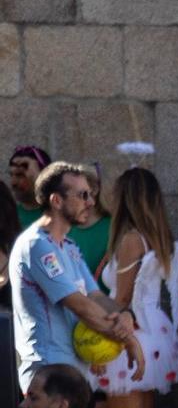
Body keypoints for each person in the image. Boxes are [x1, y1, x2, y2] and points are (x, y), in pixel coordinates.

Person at [8, 161, 136, 390]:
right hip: (48, 372)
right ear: (57, 201)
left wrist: (125, 314)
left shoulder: (69, 246)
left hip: (74, 371)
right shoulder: (36, 245)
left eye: (91, 195)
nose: (91, 202)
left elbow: (95, 296)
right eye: (83, 195)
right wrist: (128, 339)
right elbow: (79, 304)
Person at [94, 167, 178, 408]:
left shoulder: (131, 239)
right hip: (153, 329)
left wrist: (99, 347)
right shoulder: (157, 237)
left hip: (130, 333)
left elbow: (120, 300)